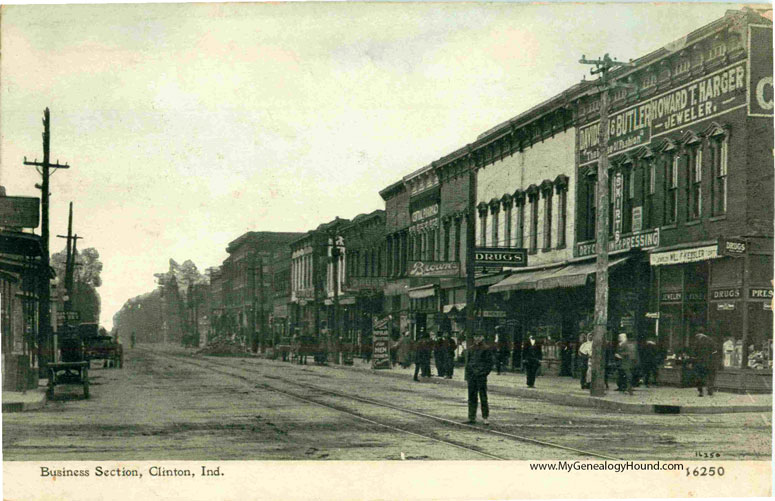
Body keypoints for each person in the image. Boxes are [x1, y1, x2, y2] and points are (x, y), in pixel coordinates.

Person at [465, 332, 493, 425]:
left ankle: (485, 417)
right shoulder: (471, 348)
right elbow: (468, 363)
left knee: (483, 397)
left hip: (481, 377)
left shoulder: (486, 349)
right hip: (472, 376)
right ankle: (472, 417)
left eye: (479, 336)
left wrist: (483, 373)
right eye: (475, 336)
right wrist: (468, 375)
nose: (477, 338)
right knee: (472, 397)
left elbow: (489, 364)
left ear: (482, 337)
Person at [693, 332, 719, 397]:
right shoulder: (711, 341)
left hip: (700, 362)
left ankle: (700, 391)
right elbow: (715, 352)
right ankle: (710, 391)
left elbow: (694, 352)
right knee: (710, 377)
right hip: (709, 362)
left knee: (699, 377)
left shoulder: (697, 342)